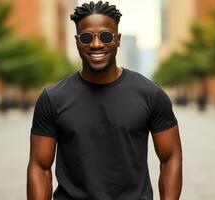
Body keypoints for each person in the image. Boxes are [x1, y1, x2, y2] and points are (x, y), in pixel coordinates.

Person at [27, 1, 182, 200]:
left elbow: (170, 158)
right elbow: (40, 167)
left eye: (106, 36)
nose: (96, 44)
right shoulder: (52, 98)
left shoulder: (151, 94)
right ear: (77, 41)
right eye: (86, 37)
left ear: (117, 40)